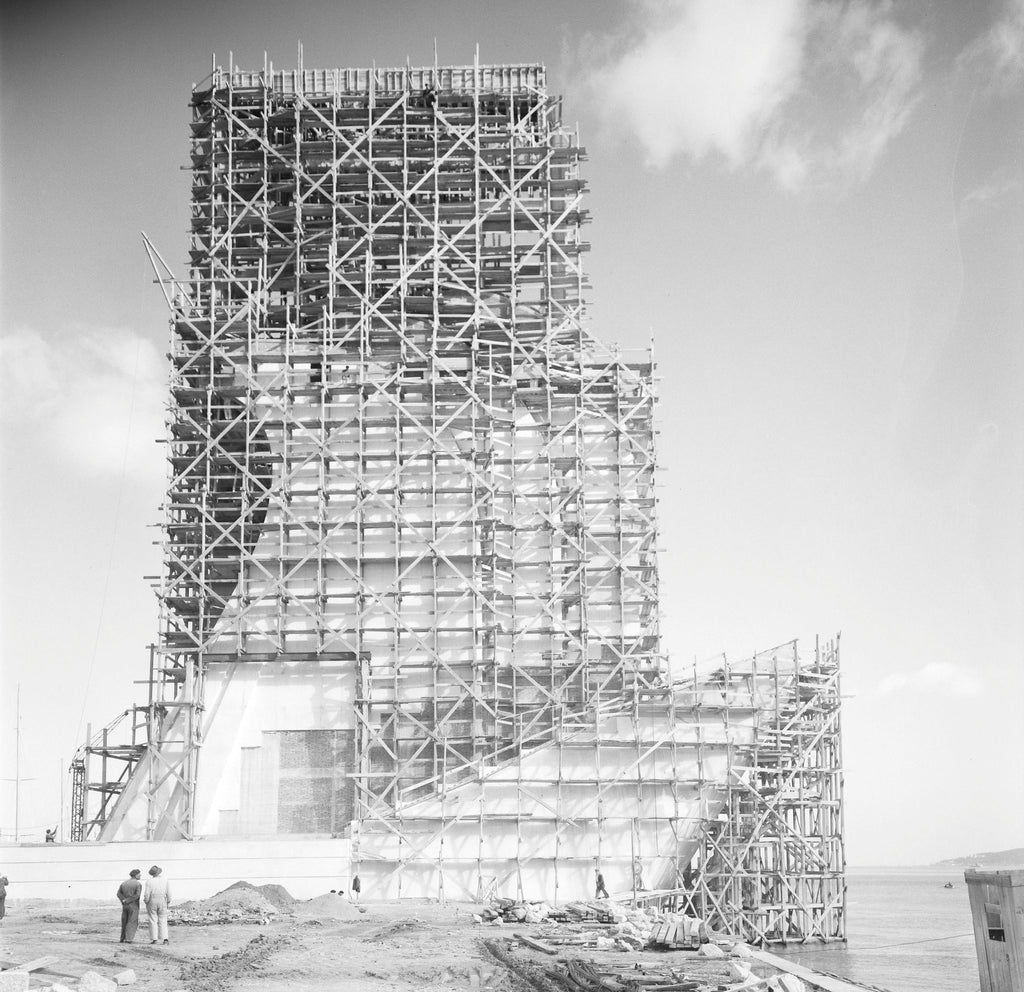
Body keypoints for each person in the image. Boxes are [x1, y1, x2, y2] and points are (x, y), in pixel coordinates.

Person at [143, 865, 171, 945]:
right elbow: (169, 893)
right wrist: (168, 901)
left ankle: (154, 939)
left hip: (152, 900)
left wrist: (146, 901)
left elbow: (147, 893)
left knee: (153, 920)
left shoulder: (149, 881)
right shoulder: (165, 880)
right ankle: (165, 939)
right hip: (162, 900)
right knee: (163, 920)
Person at [117, 869, 143, 943]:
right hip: (133, 905)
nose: (140, 875)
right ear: (136, 875)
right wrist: (128, 900)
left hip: (125, 905)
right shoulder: (138, 884)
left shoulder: (124, 883)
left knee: (124, 921)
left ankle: (122, 938)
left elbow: (118, 894)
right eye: (139, 874)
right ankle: (128, 939)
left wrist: (123, 900)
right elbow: (137, 895)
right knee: (132, 921)